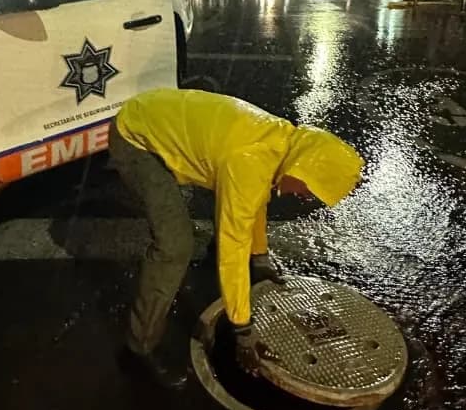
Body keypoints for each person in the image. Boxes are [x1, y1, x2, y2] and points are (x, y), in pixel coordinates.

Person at [109, 87, 364, 389]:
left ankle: (222, 278)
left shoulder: (283, 142)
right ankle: (139, 348)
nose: (306, 198)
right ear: (301, 169)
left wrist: (260, 258)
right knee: (175, 247)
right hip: (135, 139)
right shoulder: (248, 160)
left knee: (231, 217)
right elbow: (234, 244)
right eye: (311, 189)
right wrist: (242, 329)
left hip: (158, 117)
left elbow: (256, 199)